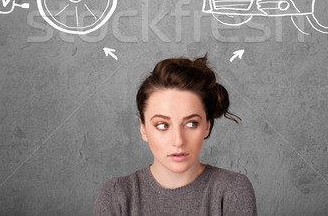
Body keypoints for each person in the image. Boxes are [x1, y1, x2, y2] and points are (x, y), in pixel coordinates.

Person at [93, 55, 257, 215]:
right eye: (163, 125)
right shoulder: (116, 195)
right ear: (143, 128)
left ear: (207, 126)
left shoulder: (232, 190)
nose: (178, 141)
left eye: (191, 123)